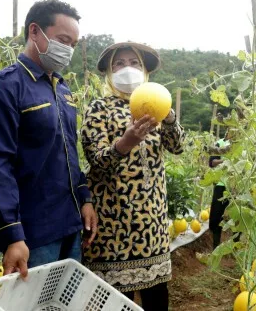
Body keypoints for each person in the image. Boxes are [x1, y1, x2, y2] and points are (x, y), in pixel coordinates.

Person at [0, 0, 97, 278]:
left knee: (66, 302)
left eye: (73, 44)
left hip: (69, 224)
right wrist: (12, 235)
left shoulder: (62, 90)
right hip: (34, 233)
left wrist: (85, 199)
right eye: (63, 40)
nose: (67, 50)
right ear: (34, 31)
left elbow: (70, 153)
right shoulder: (5, 88)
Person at [81, 42, 184, 311]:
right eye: (120, 64)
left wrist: (169, 115)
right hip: (112, 226)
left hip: (153, 225)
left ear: (145, 71)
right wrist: (125, 142)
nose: (128, 69)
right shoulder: (98, 109)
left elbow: (177, 147)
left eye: (135, 63)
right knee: (115, 303)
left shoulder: (158, 109)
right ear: (110, 73)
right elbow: (97, 162)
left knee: (156, 298)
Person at [209, 135, 231, 248]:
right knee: (216, 218)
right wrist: (225, 161)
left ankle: (235, 251)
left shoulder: (241, 143)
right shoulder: (219, 144)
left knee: (235, 218)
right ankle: (215, 248)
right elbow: (211, 162)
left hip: (236, 187)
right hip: (221, 185)